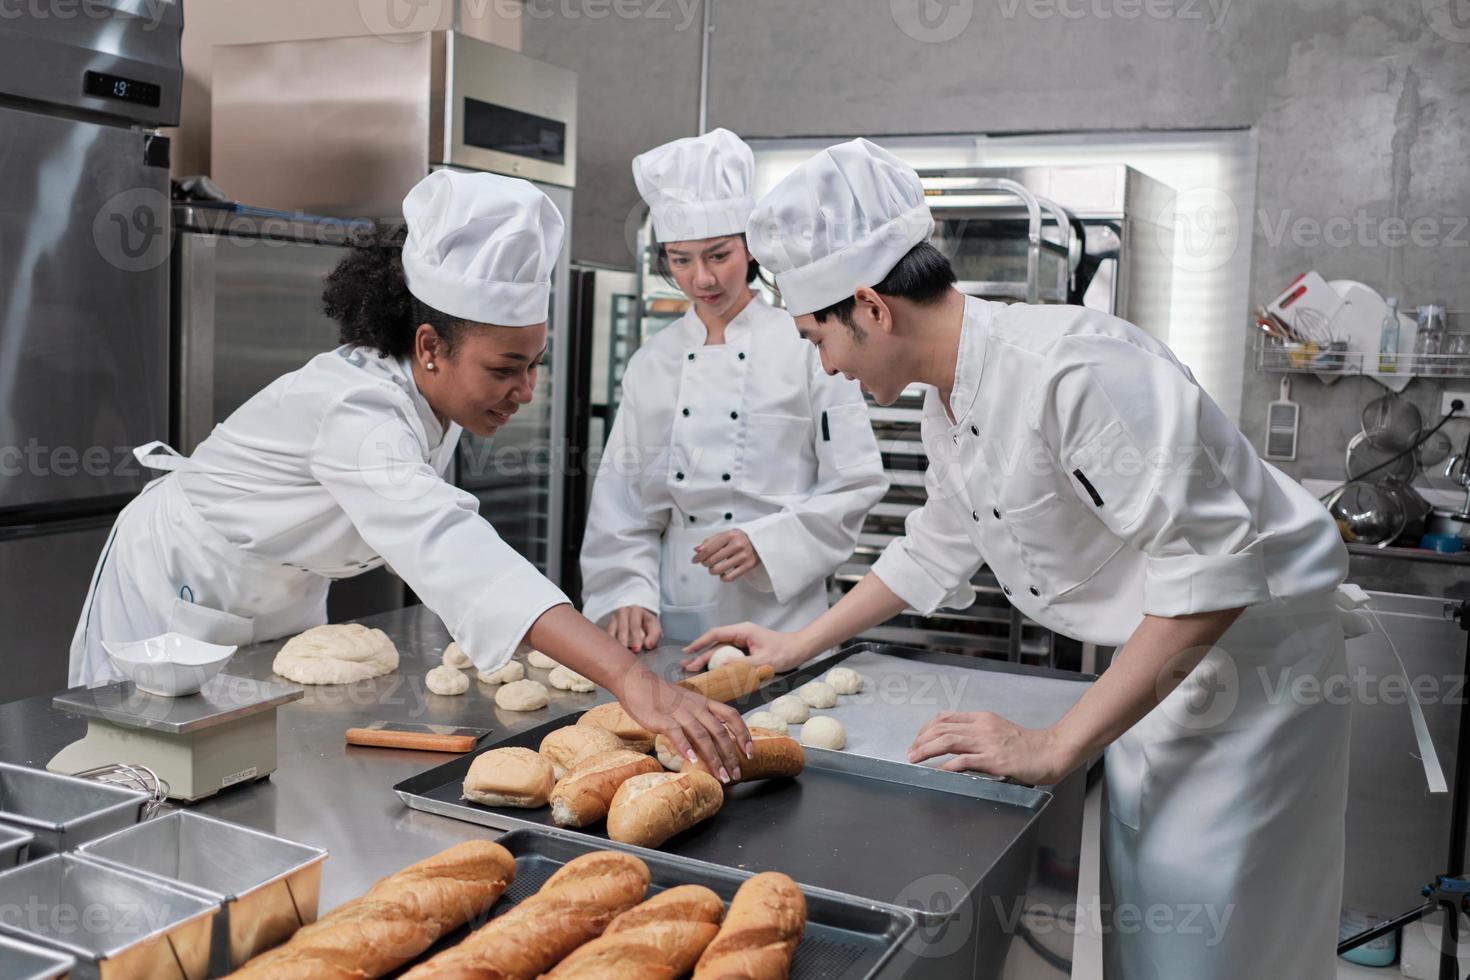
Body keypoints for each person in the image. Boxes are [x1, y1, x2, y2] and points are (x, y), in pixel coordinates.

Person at [684, 139, 1352, 977]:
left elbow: (1212, 572)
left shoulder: (1075, 372)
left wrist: (1056, 745)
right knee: (1153, 928)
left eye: (822, 339)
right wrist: (795, 646)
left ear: (872, 306)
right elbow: (937, 545)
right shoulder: (952, 400)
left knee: (1222, 940)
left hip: (1255, 679)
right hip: (1160, 671)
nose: (829, 366)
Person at [70, 170, 750, 779]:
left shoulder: (426, 397)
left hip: (278, 590)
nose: (527, 390)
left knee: (256, 772)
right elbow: (452, 546)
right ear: (430, 347)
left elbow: (432, 541)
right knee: (141, 773)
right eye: (506, 369)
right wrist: (631, 679)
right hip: (177, 586)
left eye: (533, 363)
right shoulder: (358, 413)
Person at [580, 129, 887, 651]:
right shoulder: (651, 363)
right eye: (680, 260)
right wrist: (624, 593)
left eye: (718, 255)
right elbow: (623, 505)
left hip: (784, 614)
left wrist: (768, 543)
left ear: (751, 247)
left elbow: (854, 483)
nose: (702, 279)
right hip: (674, 614)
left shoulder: (808, 345)